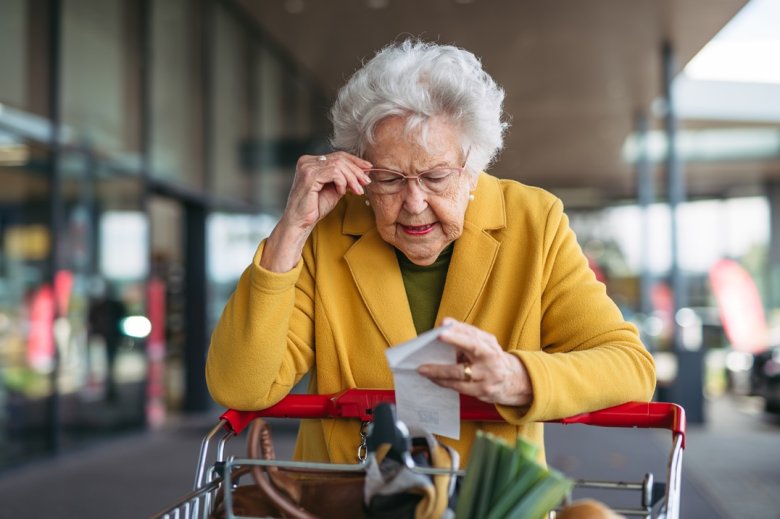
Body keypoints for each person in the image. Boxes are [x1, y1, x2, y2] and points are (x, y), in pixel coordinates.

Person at [206, 39, 656, 465]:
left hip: (483, 500)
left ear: (473, 167)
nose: (414, 203)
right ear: (361, 169)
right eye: (388, 179)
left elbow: (630, 367)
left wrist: (514, 377)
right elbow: (242, 386)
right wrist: (292, 229)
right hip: (342, 498)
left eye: (436, 177)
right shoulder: (328, 227)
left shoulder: (534, 221)